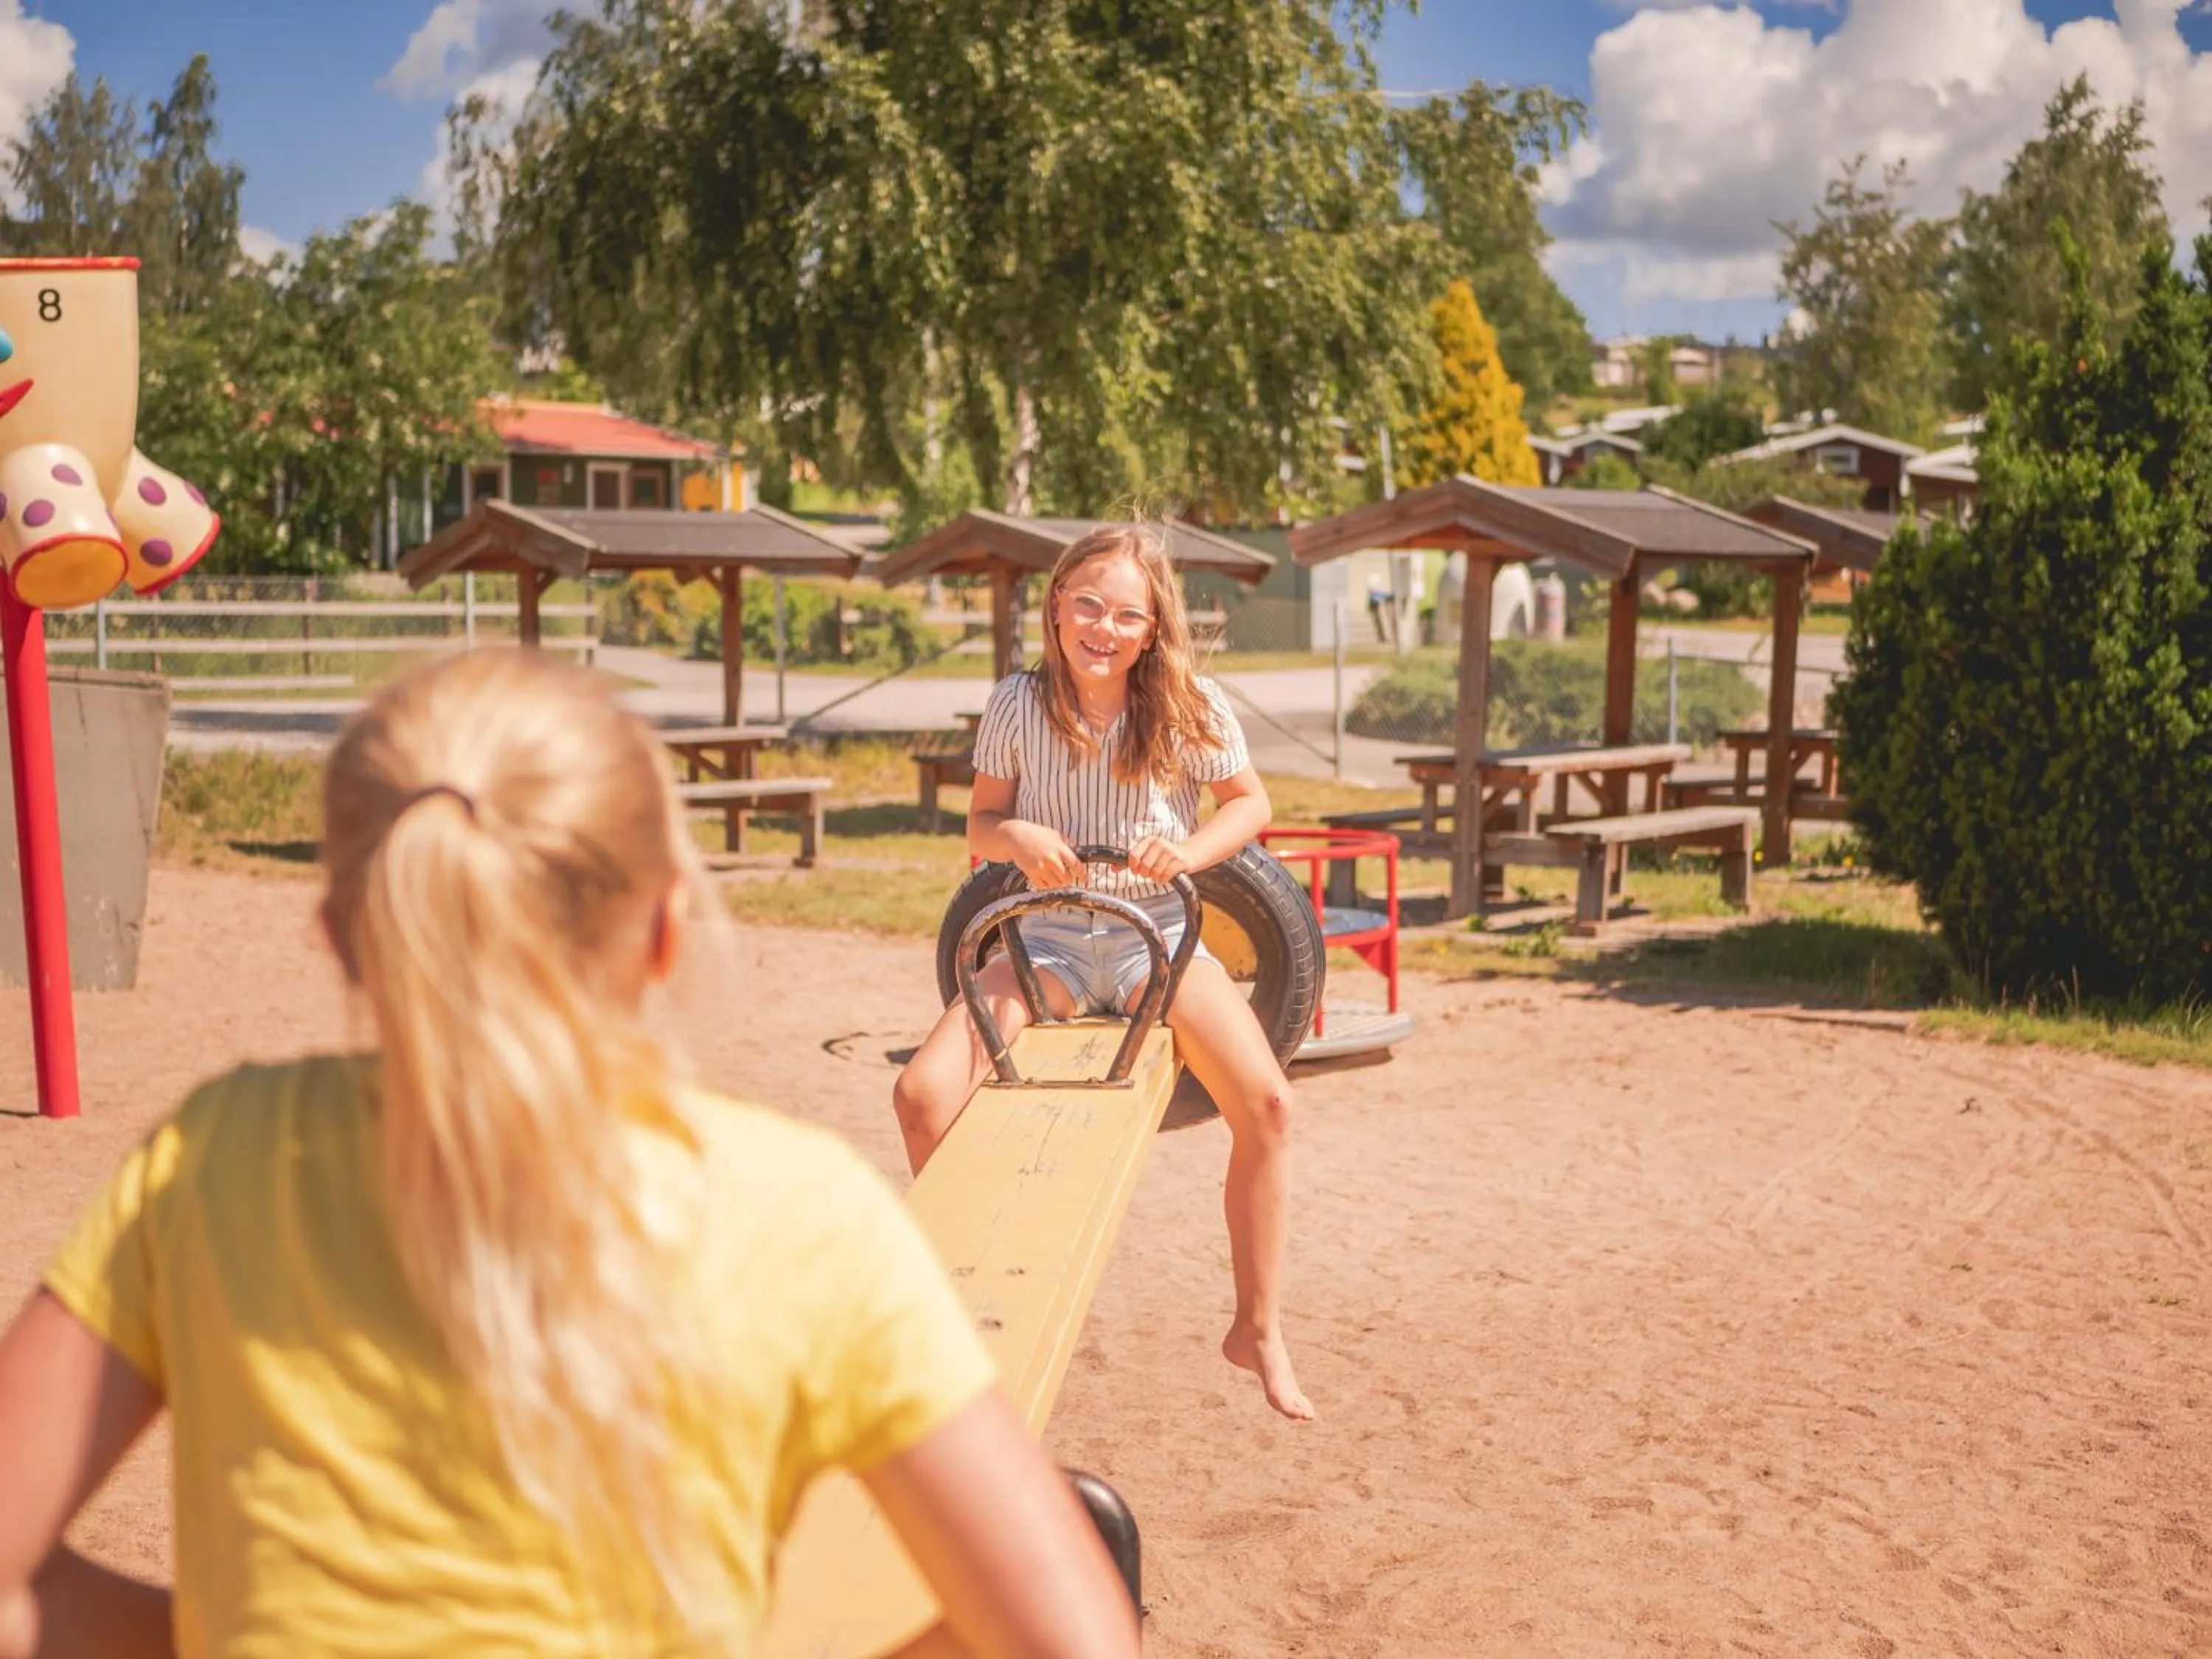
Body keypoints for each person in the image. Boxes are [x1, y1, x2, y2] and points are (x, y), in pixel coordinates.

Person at [0, 650, 1138, 1659]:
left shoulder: (218, 1160)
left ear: (345, 933)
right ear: (661, 932)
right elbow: (1068, 1639)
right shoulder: (798, 1211)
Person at [891, 525, 1312, 1423]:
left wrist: (1191, 852)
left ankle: (1259, 1327)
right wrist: (1016, 838)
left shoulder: (1188, 703)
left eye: (1128, 614)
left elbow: (1253, 803)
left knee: (1272, 1106)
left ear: (1152, 630)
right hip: (1042, 944)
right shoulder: (1015, 703)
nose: (1104, 627)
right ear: (1055, 605)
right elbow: (982, 824)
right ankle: (955, 1317)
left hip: (1153, 939)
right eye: (1088, 603)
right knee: (922, 1096)